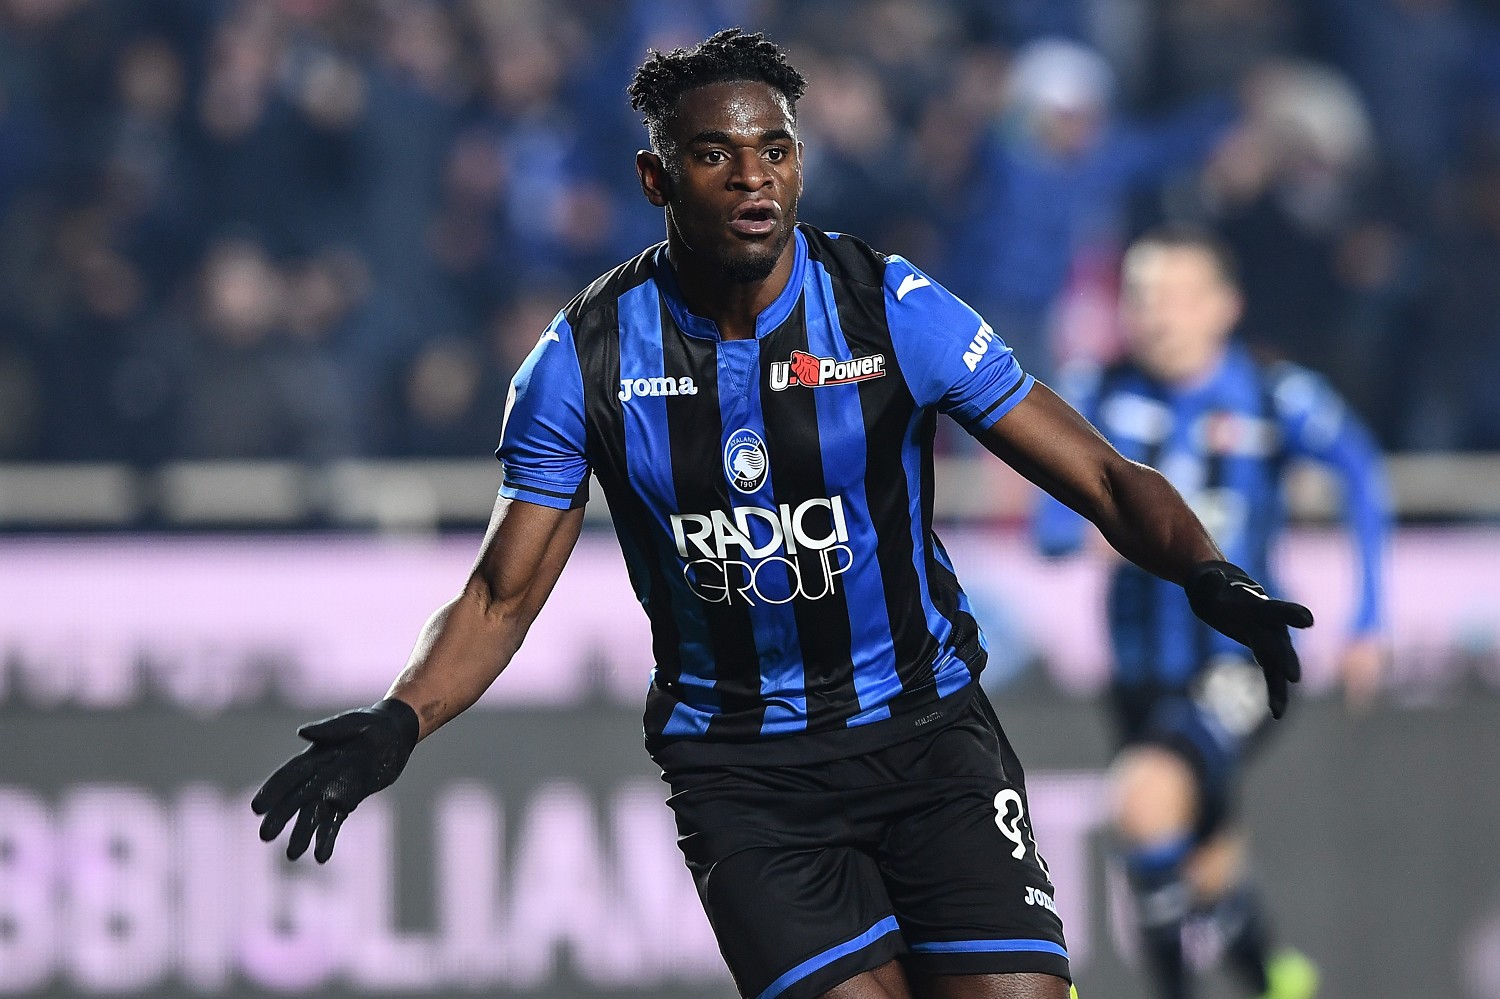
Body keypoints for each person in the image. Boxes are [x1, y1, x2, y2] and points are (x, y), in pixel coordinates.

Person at [252, 31, 1313, 999]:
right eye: (715, 155)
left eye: (775, 150)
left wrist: (1209, 572)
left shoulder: (889, 307)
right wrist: (400, 719)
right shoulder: (583, 359)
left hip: (929, 743)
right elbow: (501, 594)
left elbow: (1105, 478)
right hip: (745, 784)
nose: (753, 177)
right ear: (656, 179)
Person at [1034, 225, 1389, 999]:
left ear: (1224, 306)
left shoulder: (1272, 396)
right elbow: (1050, 527)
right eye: (1139, 296)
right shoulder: (1097, 394)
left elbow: (1362, 471)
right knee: (1197, 858)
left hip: (1237, 664)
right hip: (1139, 671)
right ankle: (1273, 981)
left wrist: (1370, 618)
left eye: (1175, 295)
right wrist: (1079, 531)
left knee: (1143, 800)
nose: (1154, 313)